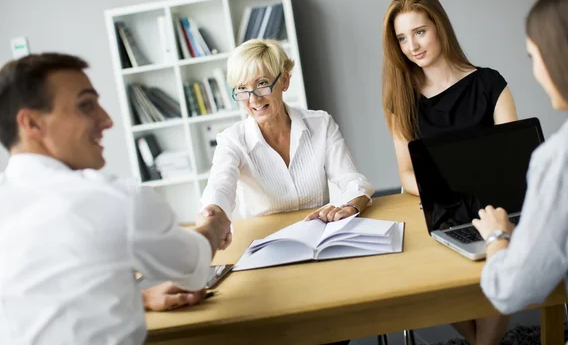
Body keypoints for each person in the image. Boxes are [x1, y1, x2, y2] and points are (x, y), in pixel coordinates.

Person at [0, 53, 231, 344]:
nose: (106, 120)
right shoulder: (111, 200)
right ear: (32, 124)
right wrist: (216, 225)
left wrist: (140, 295)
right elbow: (193, 269)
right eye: (86, 105)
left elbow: (35, 292)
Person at [382, 0, 518, 344]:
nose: (412, 45)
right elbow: (406, 174)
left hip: (494, 205)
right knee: (426, 271)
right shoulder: (402, 100)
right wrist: (443, 194)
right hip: (440, 209)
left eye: (420, 31)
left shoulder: (490, 84)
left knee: (501, 258)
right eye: (402, 38)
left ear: (440, 27)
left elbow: (513, 159)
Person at [472, 0, 568, 345]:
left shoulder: (565, 157)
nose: (535, 71)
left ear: (563, 58)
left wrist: (497, 236)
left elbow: (511, 290)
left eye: (534, 56)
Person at [199, 39, 374, 228]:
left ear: (284, 81)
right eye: (242, 88)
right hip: (265, 241)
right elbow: (220, 185)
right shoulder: (232, 141)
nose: (253, 99)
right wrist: (213, 212)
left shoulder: (321, 124)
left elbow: (351, 180)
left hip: (319, 236)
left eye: (262, 83)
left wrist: (349, 206)